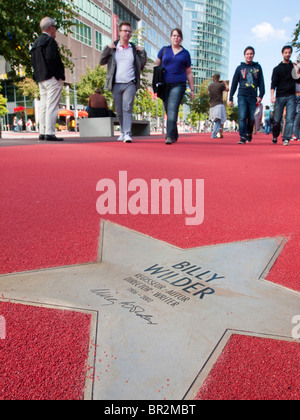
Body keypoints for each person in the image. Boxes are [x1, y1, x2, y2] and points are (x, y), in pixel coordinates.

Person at [100, 21, 147, 143]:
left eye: (129, 31)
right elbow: (102, 61)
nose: (127, 33)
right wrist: (107, 48)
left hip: (130, 82)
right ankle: (122, 131)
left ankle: (127, 133)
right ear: (119, 32)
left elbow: (141, 65)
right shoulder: (114, 48)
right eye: (125, 31)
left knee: (127, 107)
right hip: (116, 83)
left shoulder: (134, 49)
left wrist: (143, 53)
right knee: (119, 110)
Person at [154, 28, 195, 145]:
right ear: (171, 37)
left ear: (181, 39)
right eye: (174, 35)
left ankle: (169, 136)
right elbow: (156, 64)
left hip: (179, 83)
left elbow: (189, 72)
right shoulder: (164, 50)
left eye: (178, 36)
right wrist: (158, 70)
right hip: (164, 84)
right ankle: (174, 133)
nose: (176, 38)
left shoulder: (185, 53)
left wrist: (192, 89)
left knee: (172, 107)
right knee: (168, 108)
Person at [31, 17, 65, 142]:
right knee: (52, 105)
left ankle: (43, 132)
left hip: (41, 78)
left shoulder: (36, 43)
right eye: (55, 28)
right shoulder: (50, 41)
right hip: (51, 78)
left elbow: (34, 62)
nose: (55, 30)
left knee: (44, 105)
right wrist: (58, 75)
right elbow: (51, 59)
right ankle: (50, 132)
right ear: (51, 28)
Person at [229, 46, 265, 144]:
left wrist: (261, 95)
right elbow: (234, 83)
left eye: (251, 54)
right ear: (244, 55)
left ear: (253, 55)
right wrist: (230, 97)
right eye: (247, 54)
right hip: (242, 95)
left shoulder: (257, 67)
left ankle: (249, 132)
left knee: (252, 117)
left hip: (253, 96)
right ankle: (242, 137)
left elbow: (261, 82)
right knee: (242, 116)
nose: (249, 56)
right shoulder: (239, 68)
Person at [271, 45, 300, 146]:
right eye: (286, 52)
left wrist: (297, 69)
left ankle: (286, 138)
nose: (288, 54)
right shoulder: (277, 69)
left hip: (291, 96)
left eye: (289, 52)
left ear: (291, 53)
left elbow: (298, 80)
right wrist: (272, 95)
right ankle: (275, 135)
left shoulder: (293, 67)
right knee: (276, 120)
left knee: (290, 119)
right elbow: (273, 83)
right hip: (279, 96)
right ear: (282, 54)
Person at [208, 74, 229, 139]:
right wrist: (225, 83)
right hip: (219, 104)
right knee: (219, 120)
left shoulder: (209, 86)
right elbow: (227, 89)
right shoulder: (220, 85)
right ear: (218, 78)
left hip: (212, 105)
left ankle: (219, 128)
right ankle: (214, 134)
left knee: (216, 120)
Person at [291, 61, 300, 141]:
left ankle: (297, 135)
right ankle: (296, 135)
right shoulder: (293, 77)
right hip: (295, 98)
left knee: (297, 119)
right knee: (295, 118)